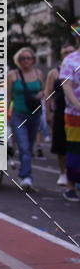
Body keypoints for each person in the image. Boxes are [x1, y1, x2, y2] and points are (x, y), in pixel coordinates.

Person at [7, 47, 44, 191]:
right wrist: (4, 114)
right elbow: (9, 96)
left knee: (30, 145)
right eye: (23, 58)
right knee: (24, 146)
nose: (26, 61)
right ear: (18, 60)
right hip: (18, 114)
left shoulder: (39, 73)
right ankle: (26, 176)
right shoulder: (12, 75)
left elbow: (44, 90)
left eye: (29, 58)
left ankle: (24, 174)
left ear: (33, 60)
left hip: (35, 114)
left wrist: (42, 94)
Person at [45, 43, 76, 186]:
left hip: (73, 110)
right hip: (62, 110)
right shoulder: (54, 72)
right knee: (61, 143)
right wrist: (48, 112)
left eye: (71, 51)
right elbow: (48, 94)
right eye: (66, 52)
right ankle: (63, 172)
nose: (68, 53)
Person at [58, 42, 80, 202]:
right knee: (75, 149)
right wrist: (78, 105)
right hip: (75, 114)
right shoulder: (70, 60)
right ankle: (71, 185)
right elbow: (67, 87)